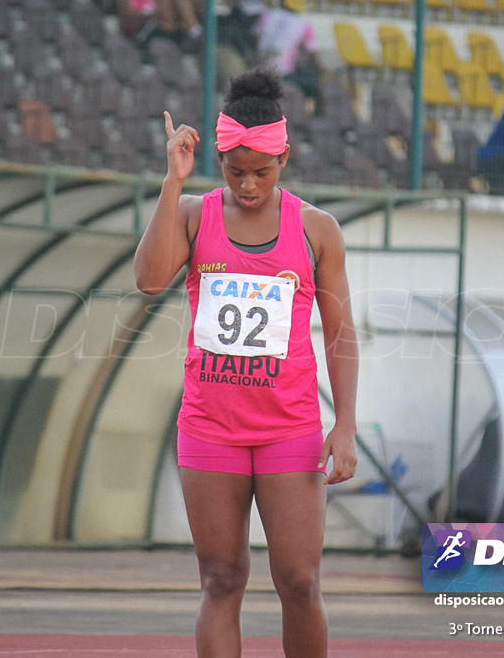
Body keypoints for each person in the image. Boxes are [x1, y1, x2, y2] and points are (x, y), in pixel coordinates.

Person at [134, 68, 359, 657]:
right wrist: (171, 181)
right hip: (210, 430)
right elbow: (150, 279)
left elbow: (340, 333)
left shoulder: (317, 230)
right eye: (235, 172)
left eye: (262, 171)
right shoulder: (193, 214)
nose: (249, 185)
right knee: (222, 579)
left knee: (300, 582)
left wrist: (345, 425)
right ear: (218, 158)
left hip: (289, 430)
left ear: (285, 156)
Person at [255, 0, 321, 103]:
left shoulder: (265, 15)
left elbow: (255, 40)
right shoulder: (304, 25)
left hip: (260, 69)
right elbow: (314, 57)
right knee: (317, 79)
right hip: (285, 75)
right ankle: (315, 116)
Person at [117, 0, 204, 49]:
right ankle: (192, 30)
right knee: (165, 12)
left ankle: (190, 28)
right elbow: (127, 13)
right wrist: (148, 13)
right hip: (144, 28)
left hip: (161, 24)